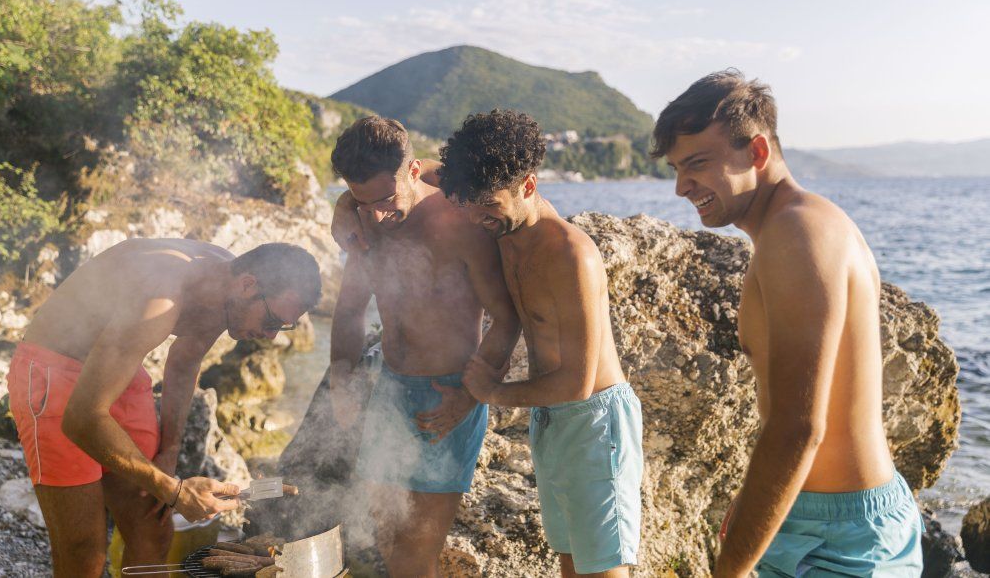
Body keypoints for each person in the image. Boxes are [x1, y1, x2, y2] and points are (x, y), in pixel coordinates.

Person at [653, 70, 923, 577]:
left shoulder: (800, 233)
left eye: (697, 164)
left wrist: (728, 571)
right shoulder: (788, 229)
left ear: (756, 152)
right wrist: (758, 505)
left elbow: (800, 426)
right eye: (675, 168)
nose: (681, 187)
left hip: (846, 541)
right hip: (806, 519)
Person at [8, 240, 322, 576]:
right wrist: (173, 489)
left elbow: (186, 362)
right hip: (55, 374)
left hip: (121, 372)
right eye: (273, 320)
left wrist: (169, 452)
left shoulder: (227, 289)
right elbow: (82, 418)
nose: (272, 337)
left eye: (283, 327)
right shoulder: (161, 294)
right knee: (84, 553)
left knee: (154, 531)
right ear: (248, 285)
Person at [436, 109, 644, 578]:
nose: (474, 217)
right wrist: (351, 203)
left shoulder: (571, 254)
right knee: (570, 563)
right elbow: (414, 168)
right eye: (466, 203)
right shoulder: (501, 222)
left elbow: (576, 382)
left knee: (605, 570)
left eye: (486, 204)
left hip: (595, 422)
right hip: (550, 419)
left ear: (528, 185)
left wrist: (489, 394)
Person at [327, 116, 521, 577]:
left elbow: (507, 318)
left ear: (414, 171)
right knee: (389, 540)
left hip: (448, 398)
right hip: (390, 392)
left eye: (385, 200)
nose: (374, 215)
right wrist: (341, 381)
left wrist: (470, 397)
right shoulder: (364, 221)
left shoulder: (461, 224)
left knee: (414, 555)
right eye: (361, 201)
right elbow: (350, 311)